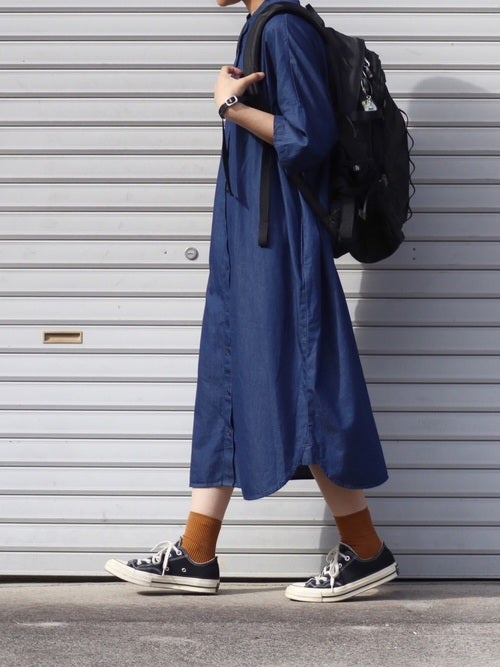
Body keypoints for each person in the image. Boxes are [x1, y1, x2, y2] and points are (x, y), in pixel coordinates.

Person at [105, 0, 398, 602]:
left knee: (310, 383)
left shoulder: (284, 28)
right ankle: (196, 552)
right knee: (226, 380)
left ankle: (366, 550)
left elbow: (307, 137)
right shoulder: (259, 26)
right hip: (246, 242)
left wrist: (230, 107)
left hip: (281, 242)